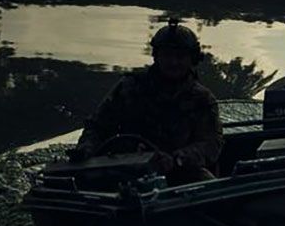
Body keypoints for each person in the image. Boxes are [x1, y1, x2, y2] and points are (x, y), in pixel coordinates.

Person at [72, 20, 222, 184]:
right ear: (156, 57)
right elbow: (98, 126)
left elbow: (211, 144)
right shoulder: (129, 88)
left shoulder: (202, 99)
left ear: (192, 59)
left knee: (209, 186)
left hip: (178, 173)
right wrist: (87, 148)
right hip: (126, 167)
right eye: (167, 55)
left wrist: (178, 159)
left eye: (180, 57)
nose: (173, 62)